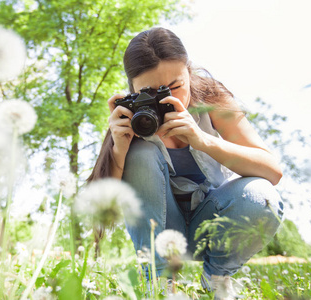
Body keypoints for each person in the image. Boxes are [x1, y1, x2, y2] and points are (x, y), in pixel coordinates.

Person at [87, 27, 284, 298]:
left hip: (214, 222)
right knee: (140, 153)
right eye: (149, 91)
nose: (166, 100)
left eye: (175, 87)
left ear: (188, 73)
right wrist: (119, 149)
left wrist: (203, 140)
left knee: (264, 197)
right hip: (160, 229)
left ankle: (216, 279)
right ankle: (158, 284)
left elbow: (272, 171)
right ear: (131, 88)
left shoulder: (212, 99)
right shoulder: (128, 119)